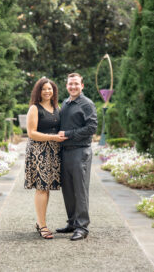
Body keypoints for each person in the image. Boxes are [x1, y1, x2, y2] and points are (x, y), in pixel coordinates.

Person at [56, 73, 97, 241]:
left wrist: (68, 134)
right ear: (66, 86)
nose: (72, 87)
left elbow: (92, 128)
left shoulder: (87, 104)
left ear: (82, 85)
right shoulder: (65, 103)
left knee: (80, 190)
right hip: (65, 153)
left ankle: (82, 227)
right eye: (70, 84)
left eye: (76, 84)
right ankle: (72, 222)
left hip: (80, 152)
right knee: (68, 190)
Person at [24, 77, 67, 239]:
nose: (47, 91)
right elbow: (31, 133)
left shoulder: (57, 107)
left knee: (47, 188)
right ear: (38, 91)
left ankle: (39, 221)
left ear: (54, 91)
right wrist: (53, 138)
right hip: (39, 152)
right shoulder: (34, 108)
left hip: (53, 151)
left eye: (50, 89)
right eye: (44, 89)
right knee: (42, 188)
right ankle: (42, 225)